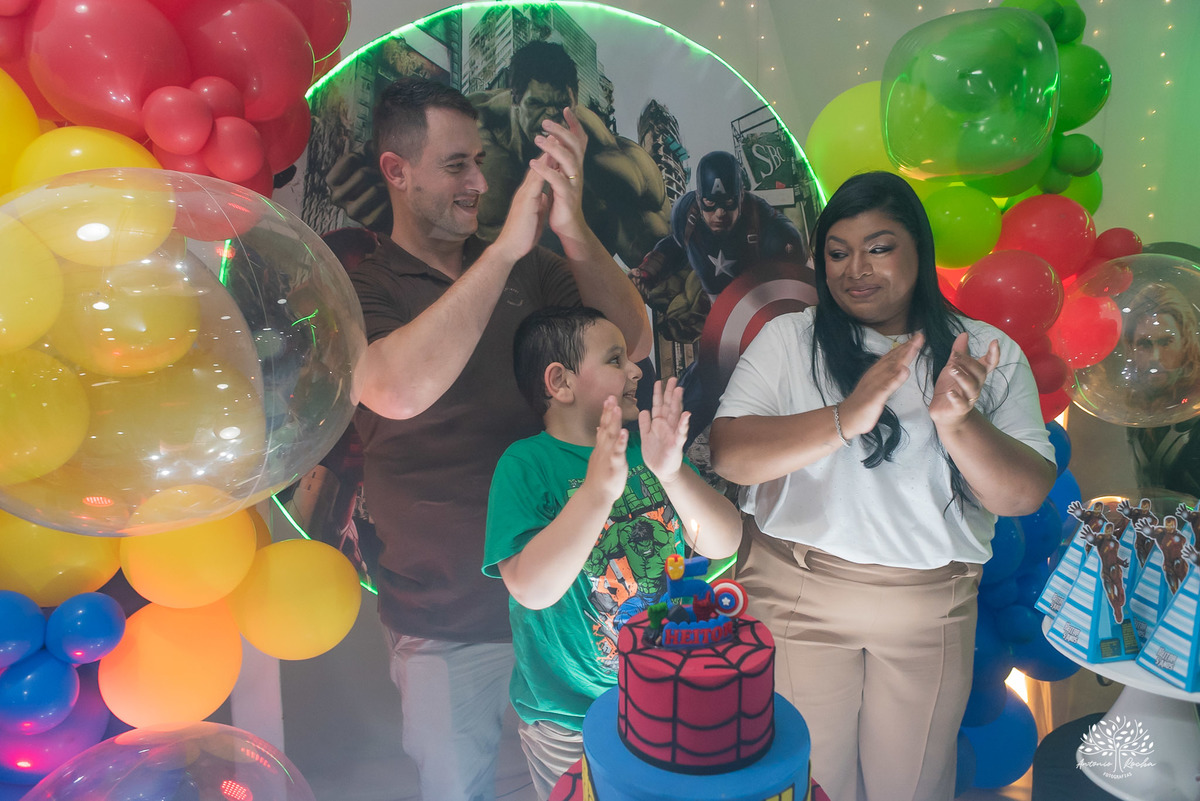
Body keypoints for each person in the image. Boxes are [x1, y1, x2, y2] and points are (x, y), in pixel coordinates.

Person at [708, 171, 1056, 801]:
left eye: (879, 246)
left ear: (917, 249)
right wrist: (847, 417)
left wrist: (958, 420)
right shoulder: (790, 339)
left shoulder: (983, 350)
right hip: (797, 594)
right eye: (837, 252)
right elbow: (731, 454)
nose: (855, 269)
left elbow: (1022, 495)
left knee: (914, 787)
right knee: (808, 784)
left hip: (929, 608)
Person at [351, 76, 650, 801]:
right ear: (397, 171)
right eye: (457, 165)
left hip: (567, 617)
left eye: (479, 161)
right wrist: (505, 249)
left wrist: (570, 226)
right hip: (446, 621)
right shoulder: (359, 280)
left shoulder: (538, 270)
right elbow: (394, 387)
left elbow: (633, 342)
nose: (480, 181)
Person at [482, 306, 742, 799]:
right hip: (570, 720)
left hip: (671, 694)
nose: (637, 369)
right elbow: (532, 589)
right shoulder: (526, 464)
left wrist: (671, 472)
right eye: (616, 358)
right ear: (560, 381)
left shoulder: (650, 453)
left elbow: (724, 541)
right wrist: (596, 493)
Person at [326, 41, 671, 271]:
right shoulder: (471, 124)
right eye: (537, 105)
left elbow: (653, 218)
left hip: (562, 295)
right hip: (476, 293)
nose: (550, 121)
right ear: (515, 98)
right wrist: (376, 193)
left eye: (562, 107)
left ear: (575, 102)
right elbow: (370, 166)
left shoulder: (598, 150)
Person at [1119, 282, 1200, 497]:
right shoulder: (1138, 408)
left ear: (1185, 343)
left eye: (1166, 342)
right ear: (1132, 349)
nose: (1155, 357)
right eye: (1145, 344)